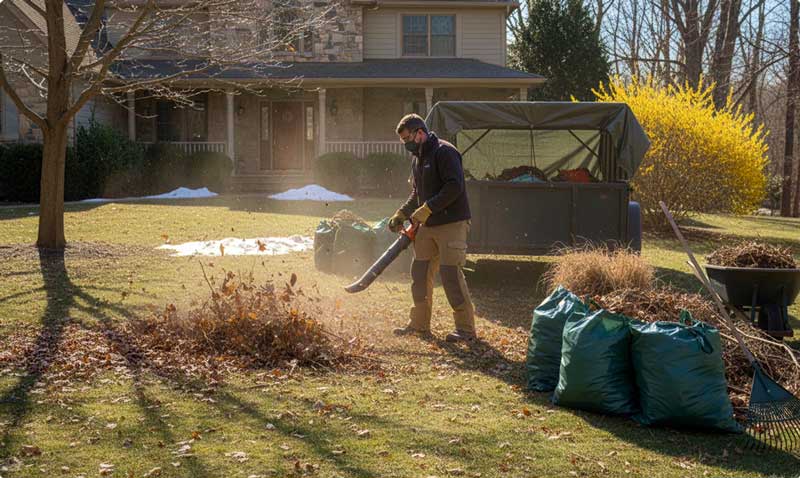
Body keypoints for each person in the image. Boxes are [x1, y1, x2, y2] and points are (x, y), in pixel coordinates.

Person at [389, 113, 476, 342]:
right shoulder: (417, 158)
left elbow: (454, 186)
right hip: (427, 225)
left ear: (420, 132)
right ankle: (419, 324)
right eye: (403, 141)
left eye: (408, 138)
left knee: (450, 275)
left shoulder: (445, 152)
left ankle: (465, 330)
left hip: (452, 223)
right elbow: (417, 194)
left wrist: (428, 208)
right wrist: (402, 213)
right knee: (419, 273)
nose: (406, 144)